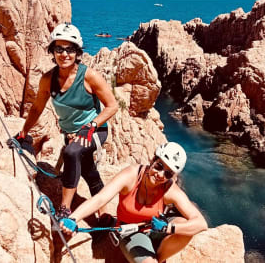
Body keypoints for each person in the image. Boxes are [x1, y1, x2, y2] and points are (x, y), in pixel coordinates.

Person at [18, 22, 118, 220]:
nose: (64, 54)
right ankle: (104, 214)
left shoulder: (89, 76)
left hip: (95, 130)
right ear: (52, 51)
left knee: (72, 153)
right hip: (71, 133)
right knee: (88, 171)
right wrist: (24, 132)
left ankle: (65, 210)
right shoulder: (48, 79)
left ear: (77, 52)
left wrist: (90, 127)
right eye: (59, 49)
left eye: (70, 49)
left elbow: (112, 106)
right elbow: (37, 108)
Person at [60, 142, 208, 263]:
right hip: (133, 231)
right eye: (159, 166)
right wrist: (74, 218)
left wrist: (168, 228)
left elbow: (201, 223)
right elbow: (100, 198)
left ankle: (158, 259)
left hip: (156, 228)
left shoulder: (169, 189)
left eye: (167, 173)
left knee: (186, 228)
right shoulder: (131, 176)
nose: (160, 174)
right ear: (152, 160)